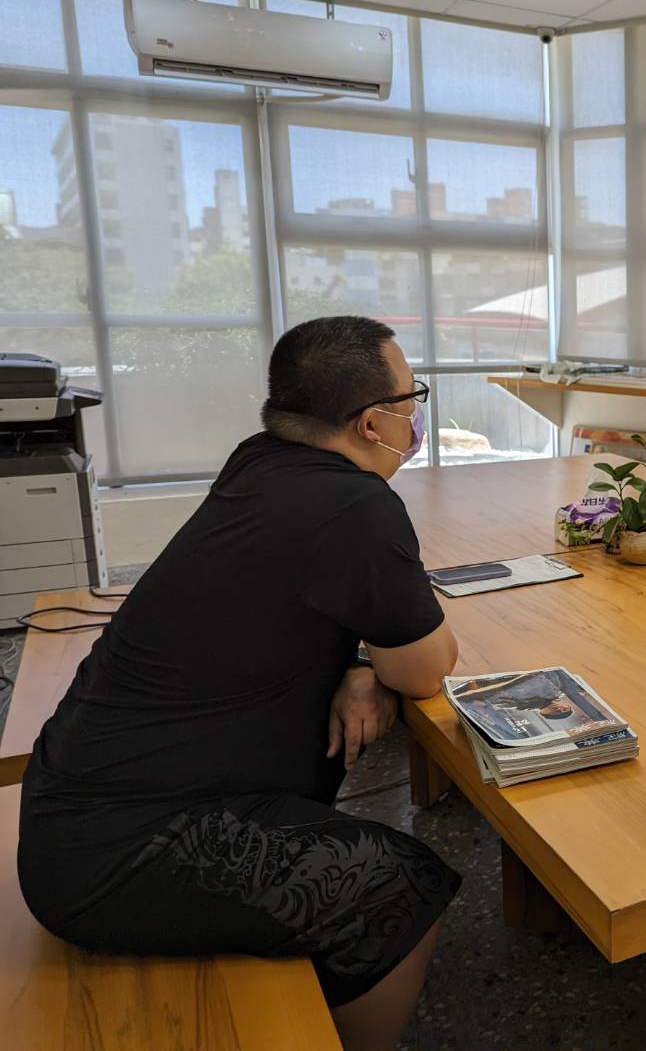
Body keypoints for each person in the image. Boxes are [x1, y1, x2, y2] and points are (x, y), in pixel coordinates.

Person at [19, 316, 462, 1051]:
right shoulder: (356, 505)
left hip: (77, 801)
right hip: (121, 853)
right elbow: (424, 669)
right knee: (401, 884)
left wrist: (359, 664)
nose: (414, 415)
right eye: (411, 398)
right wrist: (380, 661)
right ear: (370, 422)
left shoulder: (261, 460)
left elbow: (308, 603)